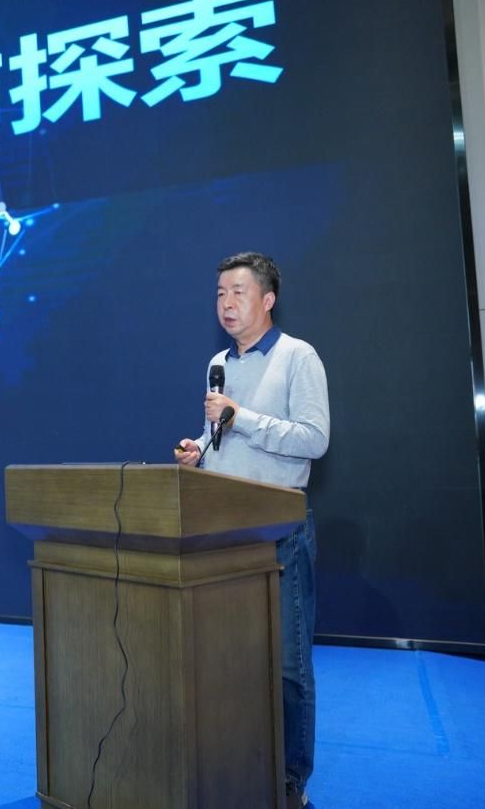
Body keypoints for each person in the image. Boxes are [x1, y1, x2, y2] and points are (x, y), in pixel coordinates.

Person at [174, 252, 330, 809]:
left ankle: (291, 783)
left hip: (280, 531)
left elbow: (314, 439)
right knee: (231, 660)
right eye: (219, 293)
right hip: (225, 533)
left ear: (267, 299)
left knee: (288, 667)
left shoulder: (297, 357)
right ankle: (239, 763)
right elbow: (222, 432)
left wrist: (243, 418)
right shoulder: (218, 363)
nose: (226, 304)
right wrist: (199, 448)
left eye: (237, 292)